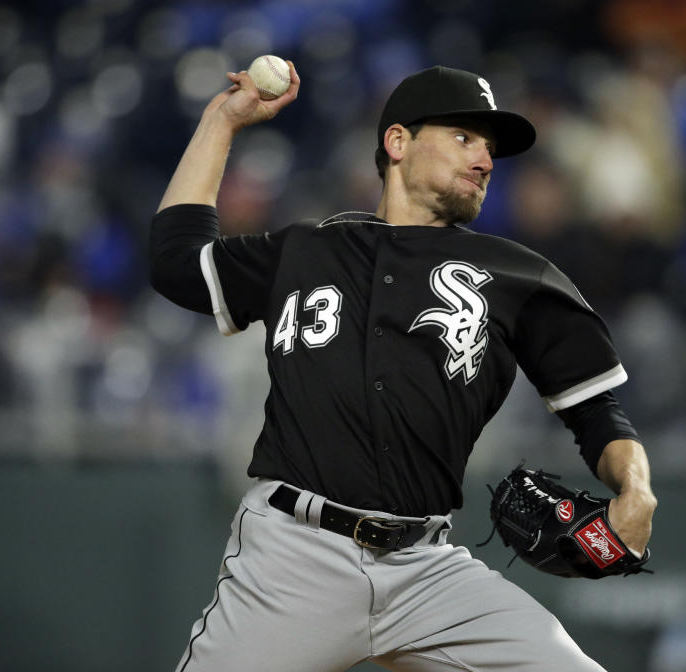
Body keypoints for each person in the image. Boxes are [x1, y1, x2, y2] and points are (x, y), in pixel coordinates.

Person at [150, 63, 657, 672]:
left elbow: (596, 411)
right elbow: (177, 262)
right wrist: (221, 120)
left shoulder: (521, 277)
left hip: (428, 571)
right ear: (397, 142)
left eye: (491, 149)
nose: (485, 160)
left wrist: (635, 487)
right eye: (464, 138)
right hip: (293, 559)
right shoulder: (307, 251)